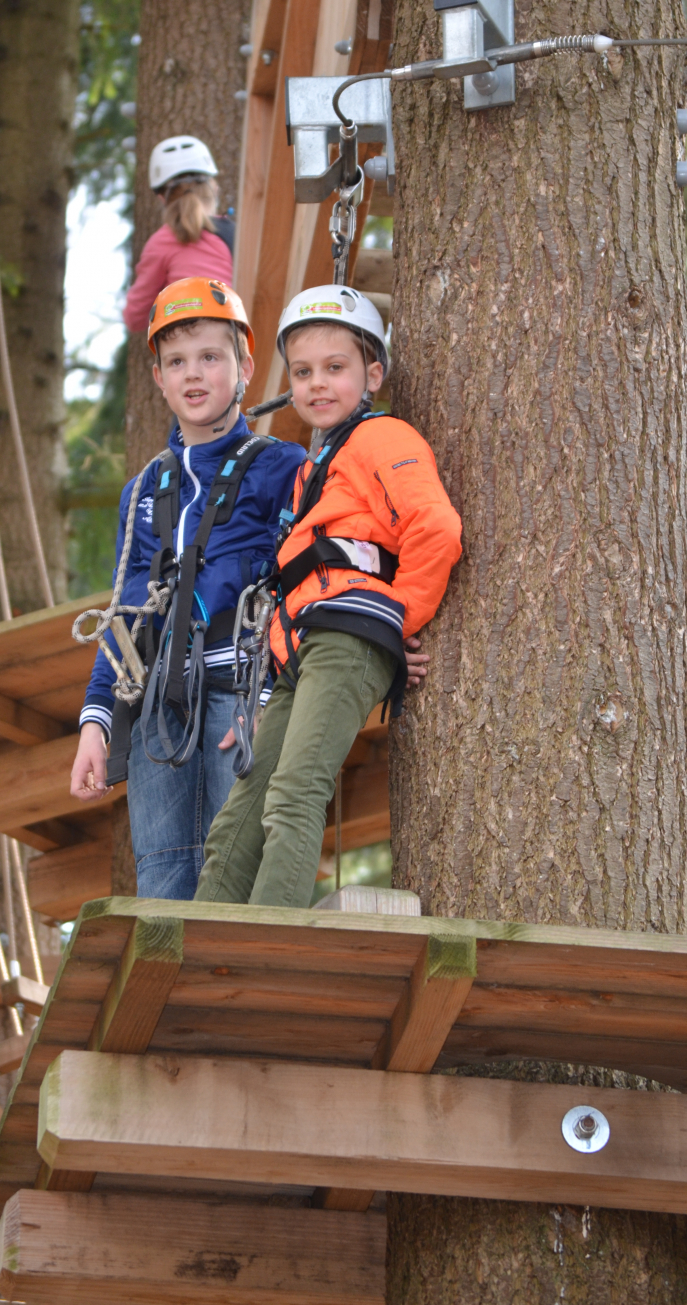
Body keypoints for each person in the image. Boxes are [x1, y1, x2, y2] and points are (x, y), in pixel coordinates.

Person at [194, 285, 462, 909]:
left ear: (373, 374)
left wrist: (395, 621)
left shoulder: (381, 438)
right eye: (303, 372)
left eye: (335, 368)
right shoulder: (315, 468)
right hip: (302, 648)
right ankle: (203, 935)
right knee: (242, 811)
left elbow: (436, 527)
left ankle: (269, 941)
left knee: (293, 793)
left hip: (345, 638)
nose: (317, 384)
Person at [71, 277, 305, 899]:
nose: (193, 374)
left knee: (236, 871)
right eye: (176, 361)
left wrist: (274, 699)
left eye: (210, 357)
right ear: (158, 377)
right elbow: (124, 617)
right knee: (164, 880)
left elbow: (306, 587)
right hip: (159, 709)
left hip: (244, 692)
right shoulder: (144, 491)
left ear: (245, 368)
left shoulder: (281, 466)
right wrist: (96, 723)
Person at [122, 136, 234, 334]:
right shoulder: (236, 234)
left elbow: (135, 317)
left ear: (161, 198)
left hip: (186, 343)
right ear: (214, 188)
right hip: (239, 337)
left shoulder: (162, 242)